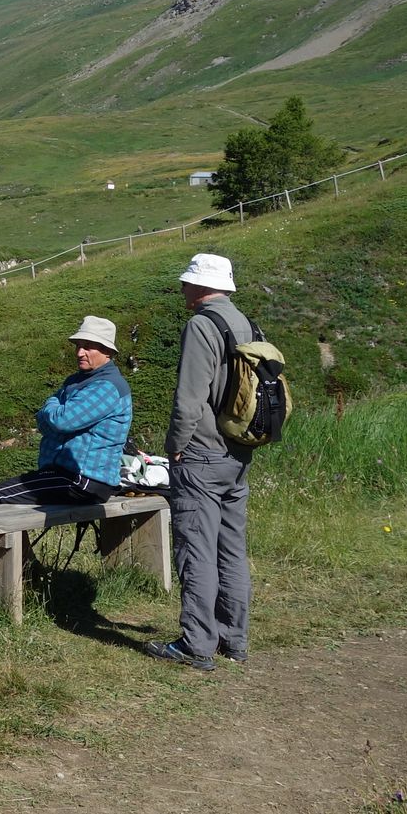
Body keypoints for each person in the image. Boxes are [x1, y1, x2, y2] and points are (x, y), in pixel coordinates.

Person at [148, 252, 256, 673]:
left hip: (202, 453)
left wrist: (175, 446)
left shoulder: (201, 325)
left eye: (186, 282)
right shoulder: (245, 323)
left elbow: (189, 398)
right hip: (237, 452)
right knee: (232, 549)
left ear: (200, 285)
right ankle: (235, 639)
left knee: (196, 549)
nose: (182, 289)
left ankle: (196, 644)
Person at [0, 315, 132, 507]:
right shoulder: (77, 380)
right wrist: (53, 415)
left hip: (84, 481)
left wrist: (51, 404)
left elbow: (62, 421)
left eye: (88, 347)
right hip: (64, 476)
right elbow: (44, 423)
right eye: (78, 346)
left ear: (107, 351)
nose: (80, 353)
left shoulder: (107, 386)